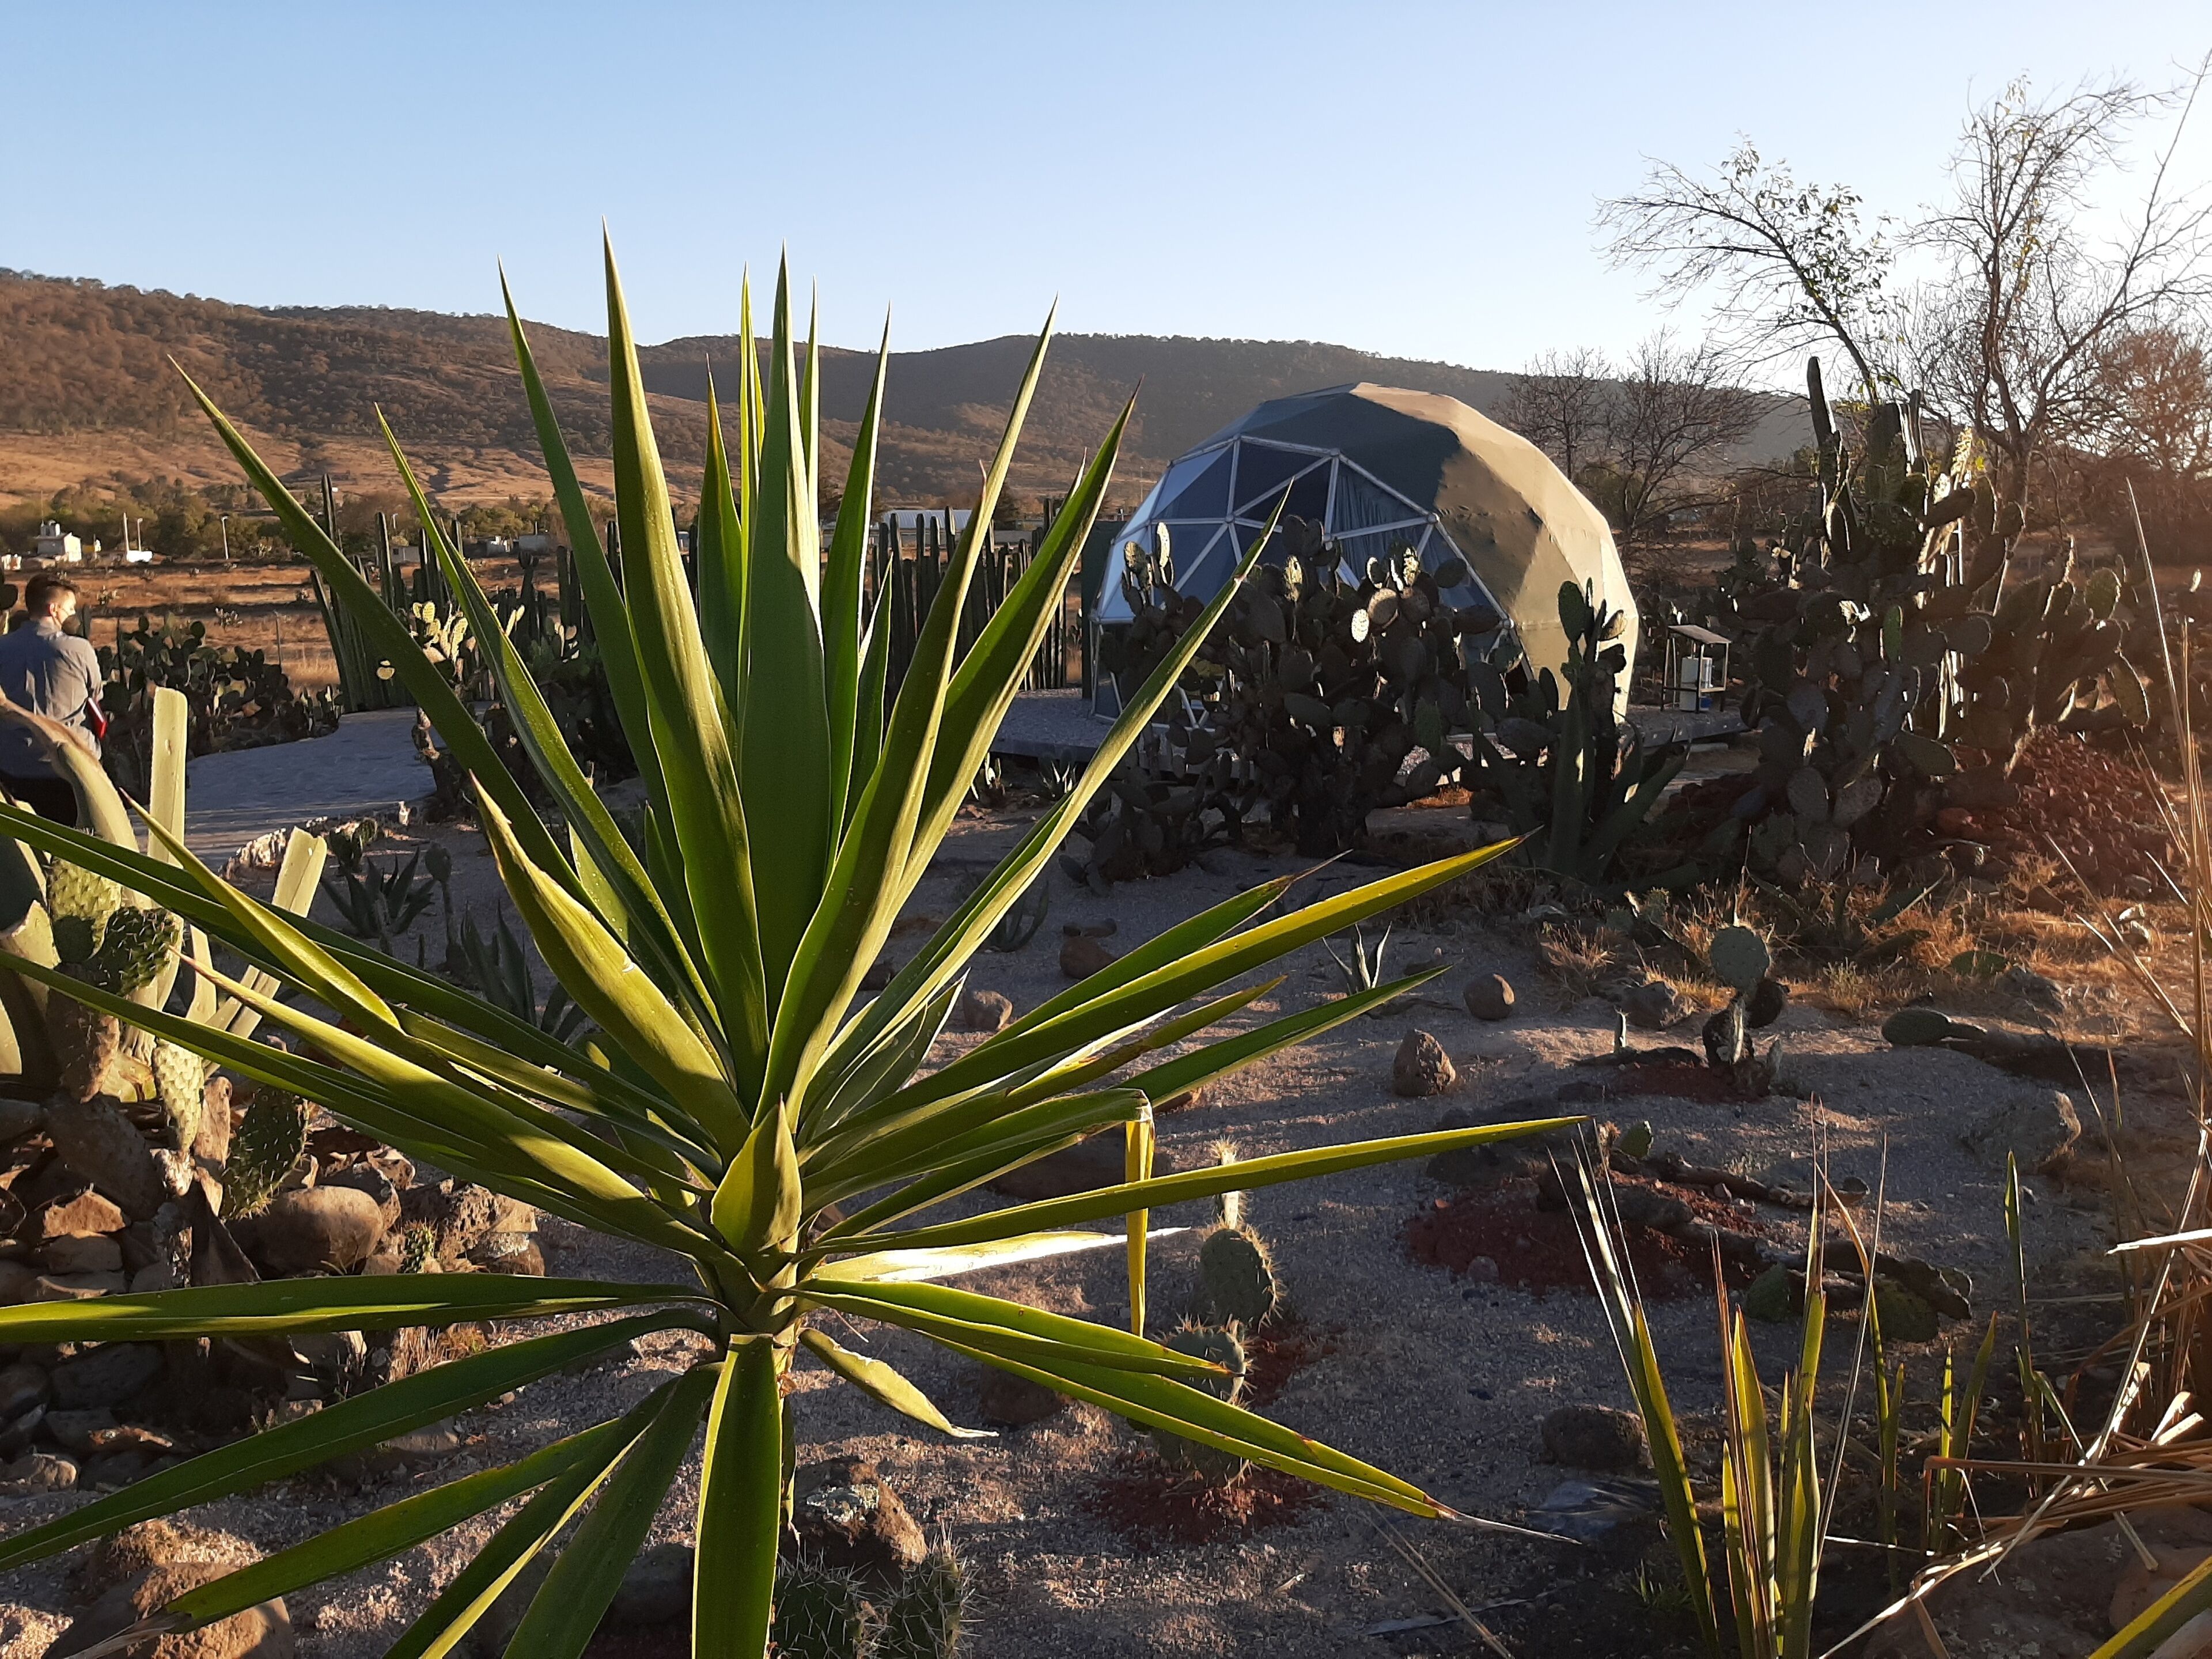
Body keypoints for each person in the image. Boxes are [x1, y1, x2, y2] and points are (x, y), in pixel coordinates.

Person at [0, 573, 107, 823]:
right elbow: (96, 696)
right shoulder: (77, 649)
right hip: (72, 767)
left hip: (13, 767)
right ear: (54, 609)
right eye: (69, 609)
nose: (72, 615)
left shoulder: (2, 648)